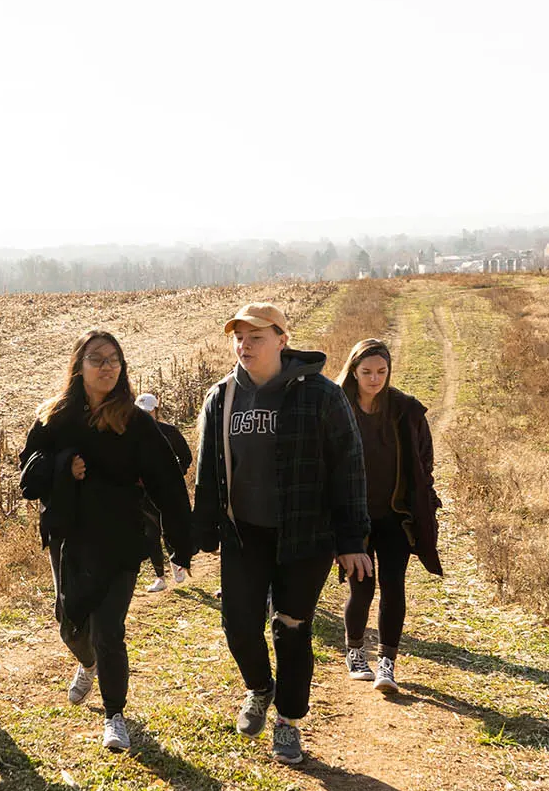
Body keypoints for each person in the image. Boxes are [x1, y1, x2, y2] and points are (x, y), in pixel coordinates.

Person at [193, 303, 371, 766]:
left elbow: (348, 468)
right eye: (239, 337)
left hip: (305, 536)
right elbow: (209, 471)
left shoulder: (321, 396)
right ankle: (259, 687)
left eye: (255, 337)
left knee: (292, 629)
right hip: (244, 534)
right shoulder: (222, 397)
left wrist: (352, 540)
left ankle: (289, 722)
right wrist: (201, 532)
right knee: (237, 625)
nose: (244, 345)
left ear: (281, 340)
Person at [20, 330, 194, 752]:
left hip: (120, 540)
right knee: (70, 625)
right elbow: (27, 475)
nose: (107, 366)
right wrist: (64, 465)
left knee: (109, 629)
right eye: (97, 358)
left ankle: (115, 715)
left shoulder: (133, 421)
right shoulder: (55, 418)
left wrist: (181, 543)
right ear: (79, 366)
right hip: (69, 538)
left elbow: (168, 482)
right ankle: (88, 664)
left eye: (114, 359)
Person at [334, 338, 443, 694]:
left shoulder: (404, 409)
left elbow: (423, 460)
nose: (374, 378)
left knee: (394, 586)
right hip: (355, 520)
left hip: (395, 516)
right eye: (366, 372)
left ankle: (387, 662)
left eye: (382, 371)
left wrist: (423, 502)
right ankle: (354, 651)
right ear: (353, 370)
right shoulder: (338, 407)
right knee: (361, 589)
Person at [135, 392, 194, 593]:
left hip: (166, 491)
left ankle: (177, 562)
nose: (145, 415)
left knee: (170, 526)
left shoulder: (169, 432)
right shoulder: (131, 434)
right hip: (143, 494)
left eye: (149, 412)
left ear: (156, 410)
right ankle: (160, 577)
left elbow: (185, 457)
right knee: (151, 533)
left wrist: (174, 477)